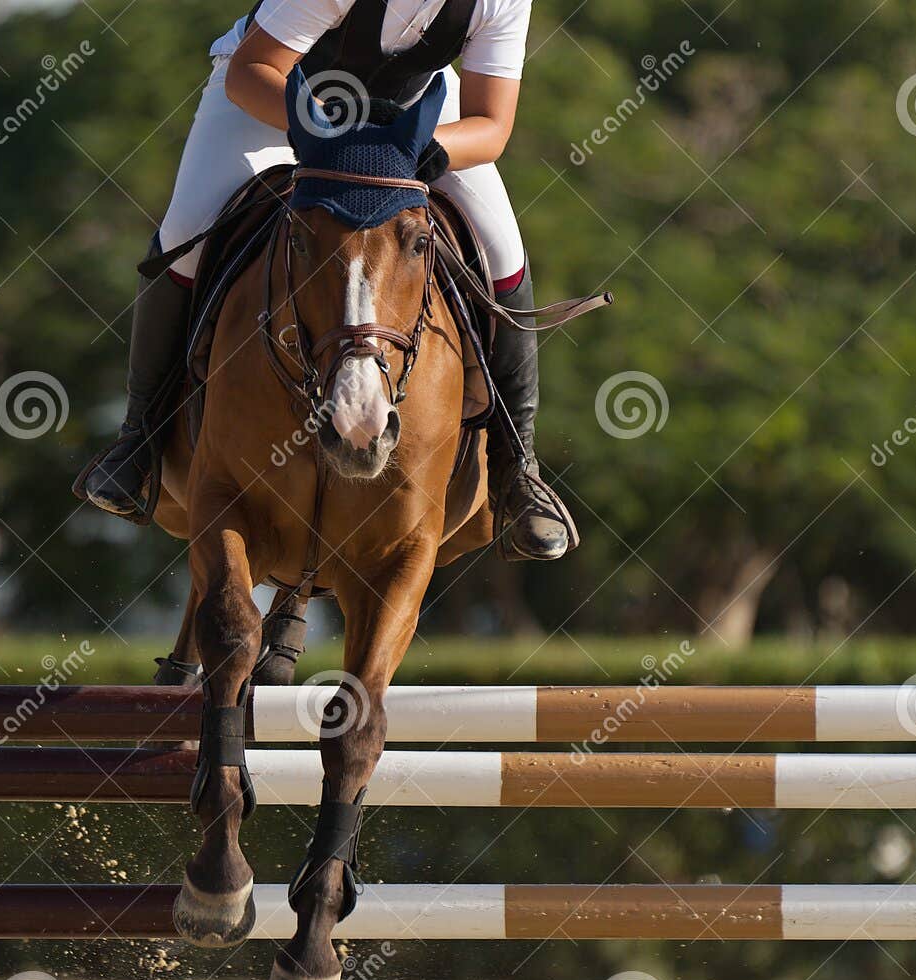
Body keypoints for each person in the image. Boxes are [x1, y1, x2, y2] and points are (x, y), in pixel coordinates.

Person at [78, 0, 574, 562]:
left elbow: (492, 125)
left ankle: (518, 468)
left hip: (411, 109)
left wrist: (425, 153)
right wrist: (329, 135)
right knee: (186, 231)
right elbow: (252, 72)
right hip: (276, 91)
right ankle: (138, 440)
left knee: (502, 251)